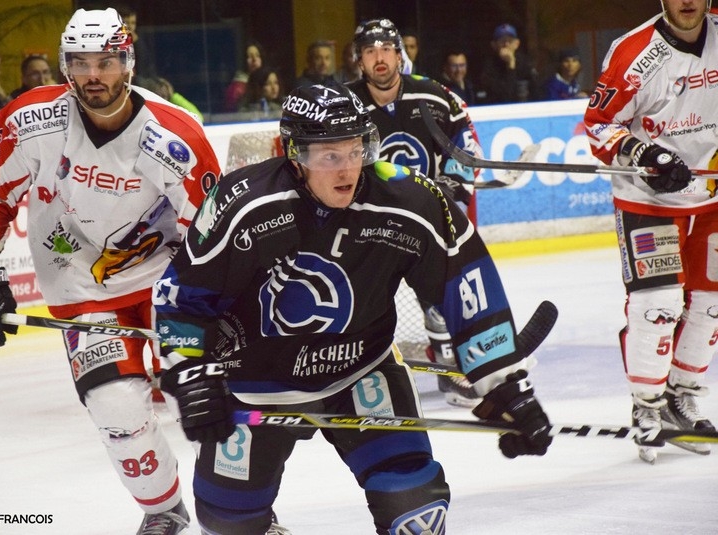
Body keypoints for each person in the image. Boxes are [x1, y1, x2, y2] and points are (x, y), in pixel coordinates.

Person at [152, 83, 552, 534]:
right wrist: (189, 372)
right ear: (296, 155)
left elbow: (464, 285)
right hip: (254, 382)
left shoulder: (411, 200)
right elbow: (182, 297)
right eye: (330, 156)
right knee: (228, 522)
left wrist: (503, 383)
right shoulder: (244, 203)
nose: (348, 169)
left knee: (416, 513)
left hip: (362, 371)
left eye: (357, 149)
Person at [0, 8, 222, 534]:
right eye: (79, 62)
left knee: (203, 396)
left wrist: (216, 304)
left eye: (106, 61)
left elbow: (210, 227)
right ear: (65, 66)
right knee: (115, 408)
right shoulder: (31, 120)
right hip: (81, 283)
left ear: (129, 63)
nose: (93, 74)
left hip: (171, 282)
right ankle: (163, 510)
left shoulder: (173, 135)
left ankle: (242, 508)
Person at [583, 0, 717, 464]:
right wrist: (647, 156)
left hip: (714, 196)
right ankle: (647, 405)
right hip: (650, 199)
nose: (687, 2)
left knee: (711, 302)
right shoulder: (632, 54)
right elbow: (599, 126)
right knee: (657, 305)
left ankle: (683, 394)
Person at [347, 18, 485, 408]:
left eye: (386, 50)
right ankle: (349, 373)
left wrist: (455, 185)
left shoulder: (433, 95)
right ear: (359, 59)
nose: (379, 58)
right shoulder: (345, 104)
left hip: (424, 218)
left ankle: (450, 369)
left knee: (444, 298)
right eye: (370, 51)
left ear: (398, 54)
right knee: (356, 304)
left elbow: (464, 139)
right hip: (367, 224)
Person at [479, 23, 539, 104]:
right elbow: (505, 96)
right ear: (494, 45)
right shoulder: (489, 67)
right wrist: (511, 65)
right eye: (502, 41)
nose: (506, 44)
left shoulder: (525, 63)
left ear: (517, 44)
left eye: (510, 41)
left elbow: (537, 93)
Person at [140, 74, 204, 122]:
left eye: (164, 96)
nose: (162, 99)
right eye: (158, 95)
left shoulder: (175, 99)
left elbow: (198, 118)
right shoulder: (148, 105)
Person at [223, 40, 264, 112]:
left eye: (257, 55)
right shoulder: (237, 88)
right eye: (250, 56)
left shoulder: (264, 82)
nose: (254, 59)